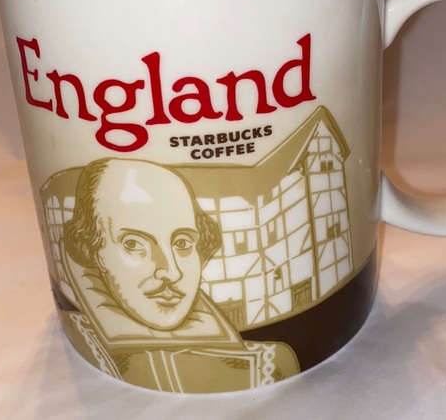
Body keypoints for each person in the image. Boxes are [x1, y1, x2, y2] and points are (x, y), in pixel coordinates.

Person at [60, 158, 299, 393]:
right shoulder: (84, 340)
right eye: (133, 244)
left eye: (183, 243)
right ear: (93, 251)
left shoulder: (270, 364)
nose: (171, 272)